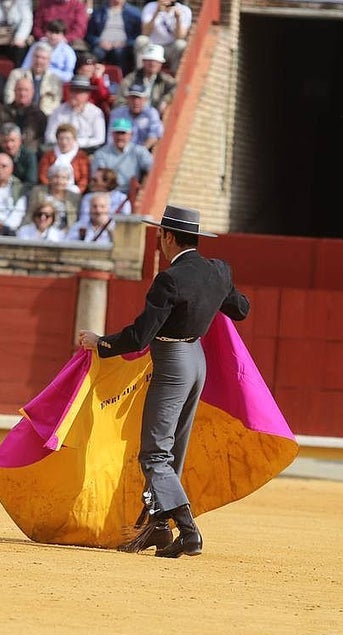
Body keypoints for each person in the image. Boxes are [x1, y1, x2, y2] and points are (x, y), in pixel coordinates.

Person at [77, 203, 249, 558]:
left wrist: (101, 343)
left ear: (169, 237)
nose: (158, 242)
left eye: (159, 236)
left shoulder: (169, 279)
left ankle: (188, 531)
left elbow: (140, 337)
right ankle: (156, 528)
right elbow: (241, 309)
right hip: (197, 362)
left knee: (155, 453)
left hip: (172, 364)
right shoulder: (218, 271)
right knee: (174, 450)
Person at [0, 71, 45, 153]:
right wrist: (6, 145)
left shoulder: (39, 115)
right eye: (19, 90)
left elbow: (41, 140)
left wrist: (21, 150)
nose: (22, 93)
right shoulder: (2, 111)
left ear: (32, 93)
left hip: (27, 155)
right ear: (14, 91)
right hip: (2, 152)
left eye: (26, 90)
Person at [91, 116, 152, 192]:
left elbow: (152, 168)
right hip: (107, 192)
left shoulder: (139, 151)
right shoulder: (101, 153)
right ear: (112, 134)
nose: (120, 137)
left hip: (132, 193)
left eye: (123, 133)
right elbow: (99, 179)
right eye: (117, 133)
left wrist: (143, 187)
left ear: (131, 135)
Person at [44, 75, 105, 150]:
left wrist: (75, 143)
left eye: (78, 92)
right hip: (61, 149)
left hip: (87, 150)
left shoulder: (96, 113)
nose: (73, 95)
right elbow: (49, 136)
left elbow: (99, 139)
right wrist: (64, 143)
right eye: (72, 91)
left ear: (87, 94)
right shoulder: (58, 111)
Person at [2, 41, 63, 116]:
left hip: (45, 116)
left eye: (43, 58)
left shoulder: (55, 79)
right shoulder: (16, 74)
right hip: (17, 114)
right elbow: (9, 96)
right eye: (37, 57)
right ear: (32, 57)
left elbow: (56, 102)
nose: (39, 61)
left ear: (49, 61)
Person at [115, 43, 174, 118]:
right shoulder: (130, 79)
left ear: (161, 64)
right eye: (149, 60)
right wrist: (133, 107)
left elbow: (177, 87)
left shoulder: (164, 79)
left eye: (156, 61)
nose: (152, 64)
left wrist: (165, 100)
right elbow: (119, 103)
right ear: (143, 61)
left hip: (155, 119)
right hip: (132, 119)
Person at [85, 0, 142, 76]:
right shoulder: (99, 12)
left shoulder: (134, 13)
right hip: (102, 45)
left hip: (123, 46)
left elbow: (138, 36)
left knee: (119, 53)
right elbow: (90, 35)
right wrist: (99, 42)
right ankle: (94, 79)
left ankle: (120, 80)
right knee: (97, 53)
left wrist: (125, 43)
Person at [138, 0, 190, 74]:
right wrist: (156, 13)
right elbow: (145, 33)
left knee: (181, 44)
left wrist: (178, 18)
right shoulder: (150, 7)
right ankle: (139, 74)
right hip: (152, 46)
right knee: (141, 40)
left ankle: (174, 75)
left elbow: (180, 36)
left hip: (170, 49)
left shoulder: (184, 10)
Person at [108, 81, 162, 150]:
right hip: (121, 152)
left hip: (144, 151)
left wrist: (140, 152)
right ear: (127, 99)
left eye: (139, 98)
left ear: (145, 100)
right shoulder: (117, 113)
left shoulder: (151, 113)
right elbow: (111, 139)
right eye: (133, 98)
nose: (136, 102)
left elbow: (154, 135)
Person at [23, 162, 77, 230]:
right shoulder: (38, 192)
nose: (59, 181)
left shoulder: (74, 197)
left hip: (65, 234)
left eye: (64, 178)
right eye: (56, 177)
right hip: (40, 231)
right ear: (50, 179)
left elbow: (73, 221)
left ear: (68, 180)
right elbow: (30, 214)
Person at [37, 120, 87, 191]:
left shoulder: (81, 156)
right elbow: (43, 175)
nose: (64, 142)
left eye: (68, 139)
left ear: (74, 139)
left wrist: (78, 190)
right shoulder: (48, 155)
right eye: (61, 139)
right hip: (51, 190)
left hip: (74, 191)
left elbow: (84, 178)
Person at [19, 18, 74, 84]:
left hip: (56, 82)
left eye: (57, 33)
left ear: (63, 35)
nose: (53, 36)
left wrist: (48, 72)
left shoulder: (68, 51)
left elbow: (68, 76)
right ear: (46, 32)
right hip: (34, 79)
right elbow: (25, 66)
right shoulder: (36, 46)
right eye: (51, 32)